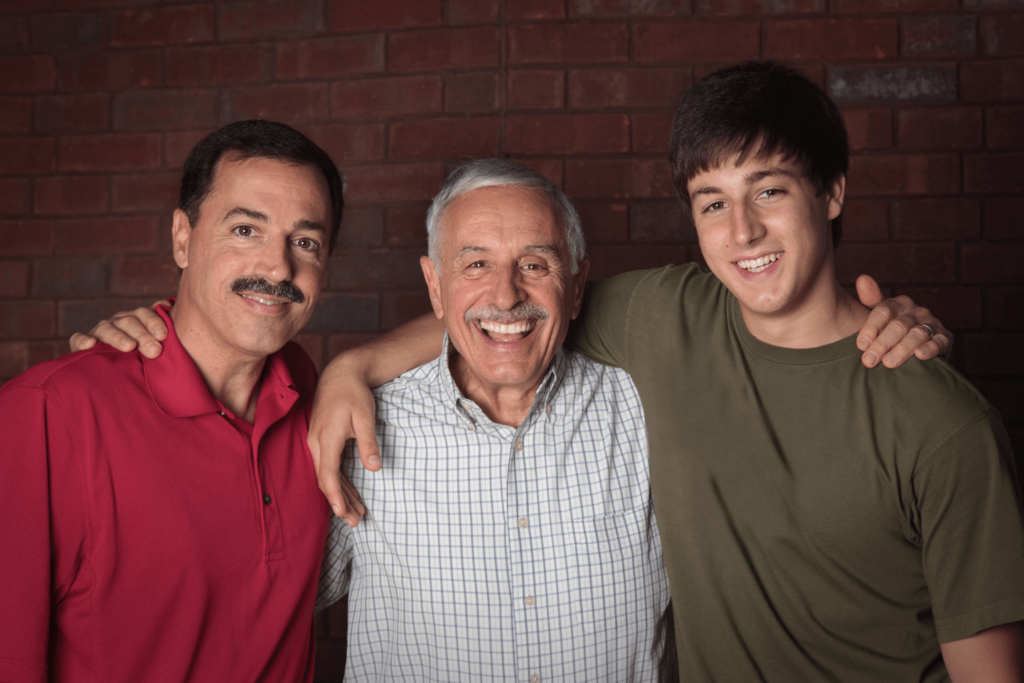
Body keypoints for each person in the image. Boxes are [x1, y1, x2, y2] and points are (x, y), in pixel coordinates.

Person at [300, 62, 1024, 681]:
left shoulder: (941, 421)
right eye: (714, 202)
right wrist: (354, 367)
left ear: (831, 192)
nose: (742, 231)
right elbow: (511, 314)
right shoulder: (663, 318)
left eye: (769, 190)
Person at [0, 120, 346, 682]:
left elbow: (480, 320)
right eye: (245, 230)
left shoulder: (311, 393)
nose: (279, 267)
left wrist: (359, 363)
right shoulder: (46, 413)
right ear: (183, 238)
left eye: (305, 242)